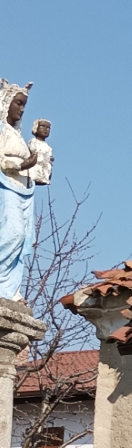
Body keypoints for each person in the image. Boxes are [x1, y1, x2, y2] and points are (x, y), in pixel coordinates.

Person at [0, 84, 39, 300]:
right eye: (18, 103)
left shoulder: (18, 135)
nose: (22, 109)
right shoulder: (2, 132)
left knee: (23, 238)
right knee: (11, 234)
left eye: (24, 105)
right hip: (6, 189)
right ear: (6, 103)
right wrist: (23, 165)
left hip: (23, 193)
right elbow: (2, 160)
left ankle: (10, 288)